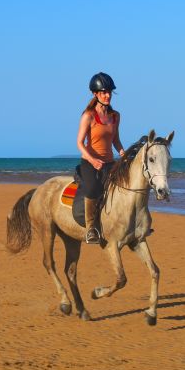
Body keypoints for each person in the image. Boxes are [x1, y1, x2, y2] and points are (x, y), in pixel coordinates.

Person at [76, 72, 125, 244]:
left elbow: (116, 140)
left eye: (110, 91)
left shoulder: (115, 116)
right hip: (90, 162)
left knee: (126, 186)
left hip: (109, 163)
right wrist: (92, 160)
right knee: (92, 189)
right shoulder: (88, 116)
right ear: (95, 94)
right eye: (104, 92)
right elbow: (79, 143)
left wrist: (122, 152)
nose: (108, 95)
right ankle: (91, 228)